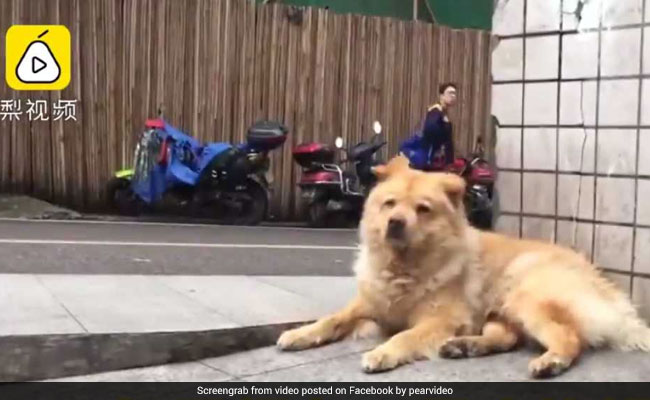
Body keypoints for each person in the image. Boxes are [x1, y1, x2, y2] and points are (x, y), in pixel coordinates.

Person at [399, 82, 458, 170]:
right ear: (441, 96)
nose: (453, 96)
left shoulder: (443, 113)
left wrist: (450, 162)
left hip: (432, 158)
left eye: (454, 93)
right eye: (450, 93)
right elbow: (430, 130)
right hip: (426, 157)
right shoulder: (435, 111)